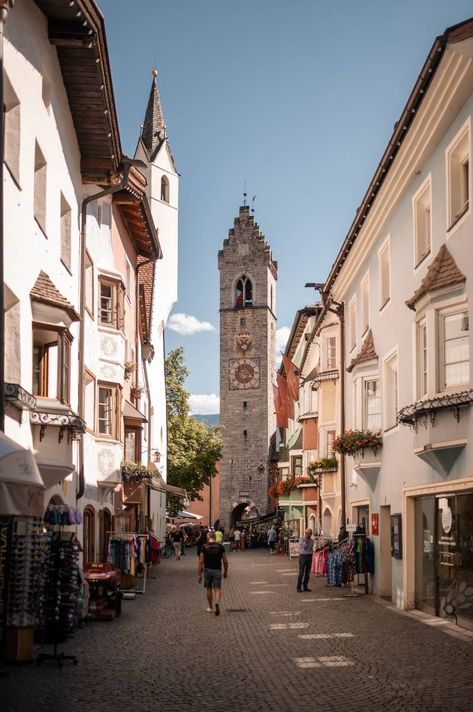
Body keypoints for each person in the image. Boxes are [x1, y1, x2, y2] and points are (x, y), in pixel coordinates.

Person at [198, 531, 228, 616]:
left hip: (207, 570)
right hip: (217, 570)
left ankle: (210, 607)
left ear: (208, 537)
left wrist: (199, 574)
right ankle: (217, 602)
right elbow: (225, 561)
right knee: (217, 588)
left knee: (208, 588)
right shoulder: (220, 546)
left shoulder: (204, 546)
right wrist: (225, 572)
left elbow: (201, 561)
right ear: (215, 537)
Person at [297, 528, 314, 592]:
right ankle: (298, 587)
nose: (309, 535)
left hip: (309, 556)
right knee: (301, 573)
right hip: (303, 556)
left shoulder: (312, 540)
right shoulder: (301, 539)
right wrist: (305, 540)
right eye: (308, 533)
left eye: (310, 533)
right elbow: (304, 547)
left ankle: (305, 586)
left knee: (307, 573)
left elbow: (310, 548)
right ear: (305, 533)